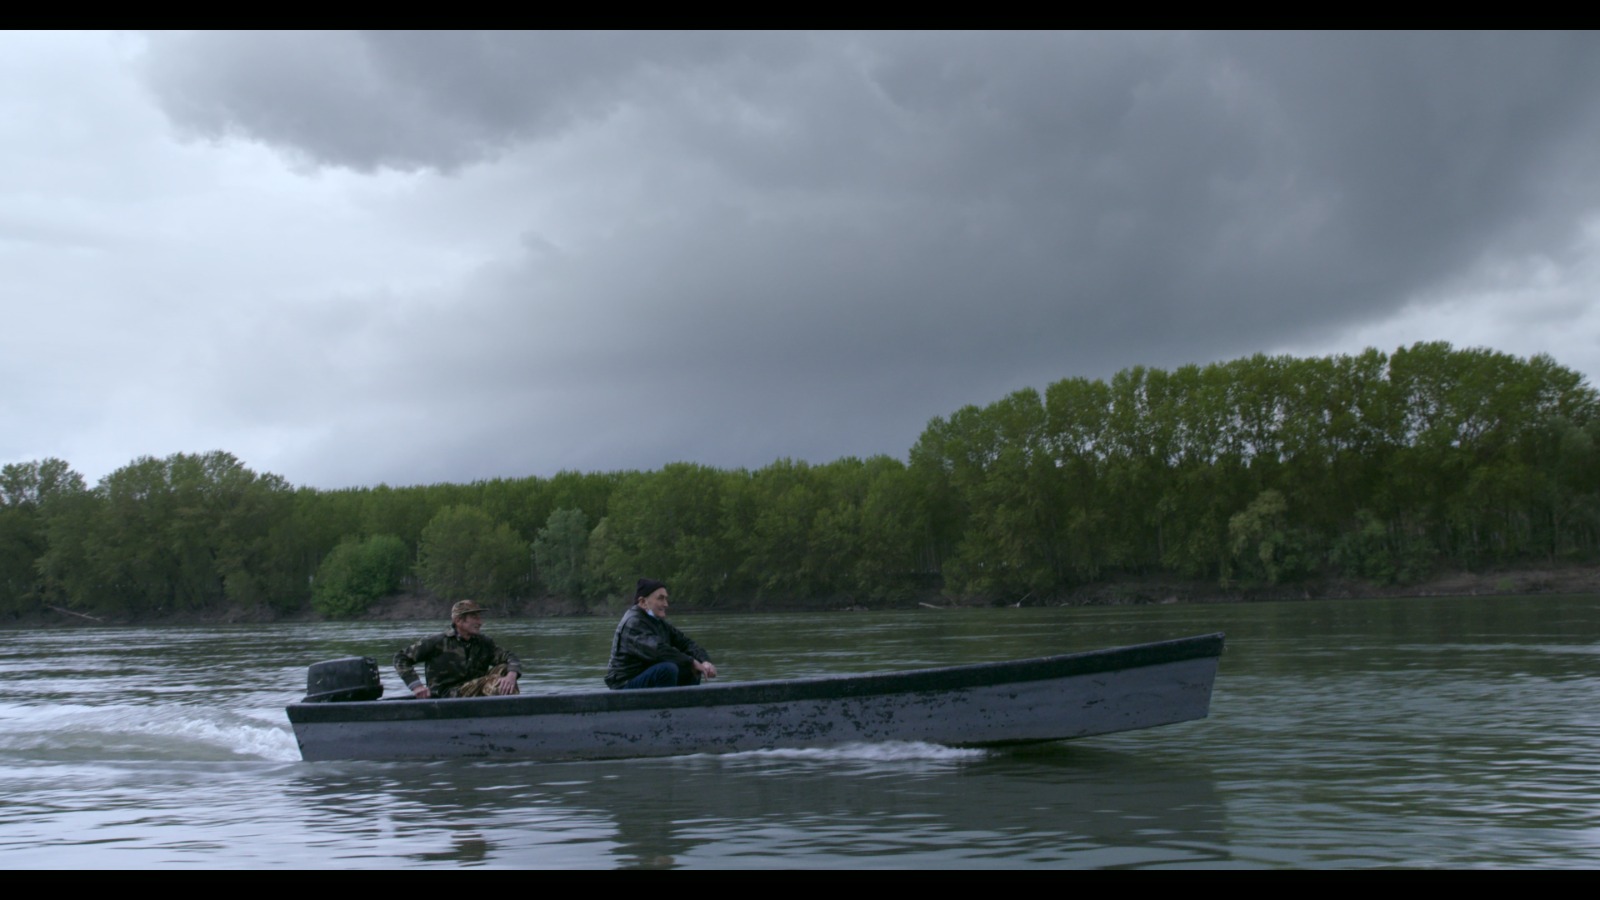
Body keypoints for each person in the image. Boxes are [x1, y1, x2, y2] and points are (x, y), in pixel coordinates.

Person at [394, 599, 522, 699]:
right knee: (494, 682)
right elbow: (401, 658)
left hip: (476, 688)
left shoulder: (484, 642)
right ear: (459, 621)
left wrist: (511, 675)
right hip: (447, 694)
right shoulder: (437, 642)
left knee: (506, 669)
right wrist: (416, 686)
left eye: (479, 617)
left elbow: (509, 656)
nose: (480, 622)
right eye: (474, 618)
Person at [605, 578, 718, 689]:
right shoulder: (633, 623)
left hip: (644, 676)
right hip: (624, 683)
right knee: (667, 669)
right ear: (643, 602)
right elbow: (658, 651)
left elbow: (685, 643)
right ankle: (664, 707)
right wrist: (691, 662)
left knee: (692, 670)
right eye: (661, 598)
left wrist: (704, 661)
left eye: (666, 599)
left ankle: (684, 705)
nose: (666, 604)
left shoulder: (658, 622)